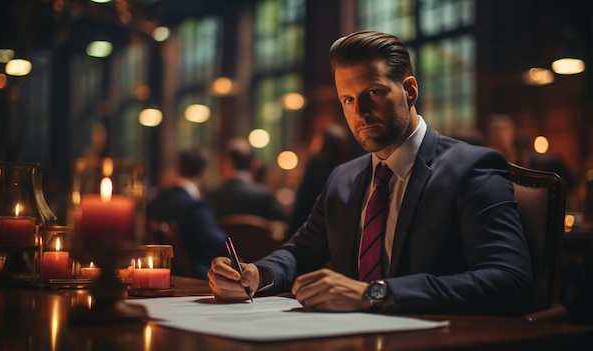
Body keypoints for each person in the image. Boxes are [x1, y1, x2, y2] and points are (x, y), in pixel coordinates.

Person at [208, 31, 533, 316]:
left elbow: (508, 281)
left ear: (410, 90)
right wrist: (257, 274)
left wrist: (373, 294)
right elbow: (300, 252)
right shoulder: (343, 179)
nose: (359, 112)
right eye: (348, 99)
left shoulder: (472, 168)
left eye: (373, 93)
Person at [146, 148, 227, 279]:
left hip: (162, 274)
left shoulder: (155, 202)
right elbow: (221, 244)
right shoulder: (197, 207)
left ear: (179, 170)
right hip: (198, 277)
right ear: (204, 173)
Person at [206, 137, 289, 222]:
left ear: (228, 163)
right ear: (254, 164)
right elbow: (286, 221)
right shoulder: (264, 195)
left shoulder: (214, 196)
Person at [288, 124, 352, 234]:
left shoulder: (316, 164)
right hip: (338, 229)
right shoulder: (350, 168)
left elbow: (303, 199)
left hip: (312, 224)